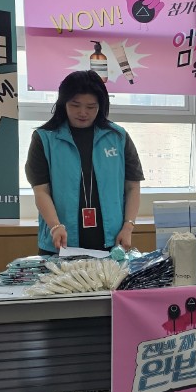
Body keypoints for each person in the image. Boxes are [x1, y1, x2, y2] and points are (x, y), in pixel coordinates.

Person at [25, 70, 144, 254]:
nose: (82, 112)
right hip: (61, 243)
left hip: (112, 243)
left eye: (91, 107)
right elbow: (41, 191)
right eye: (75, 105)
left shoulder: (118, 137)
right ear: (63, 103)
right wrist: (55, 226)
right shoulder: (44, 138)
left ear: (101, 106)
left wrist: (128, 226)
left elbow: (132, 187)